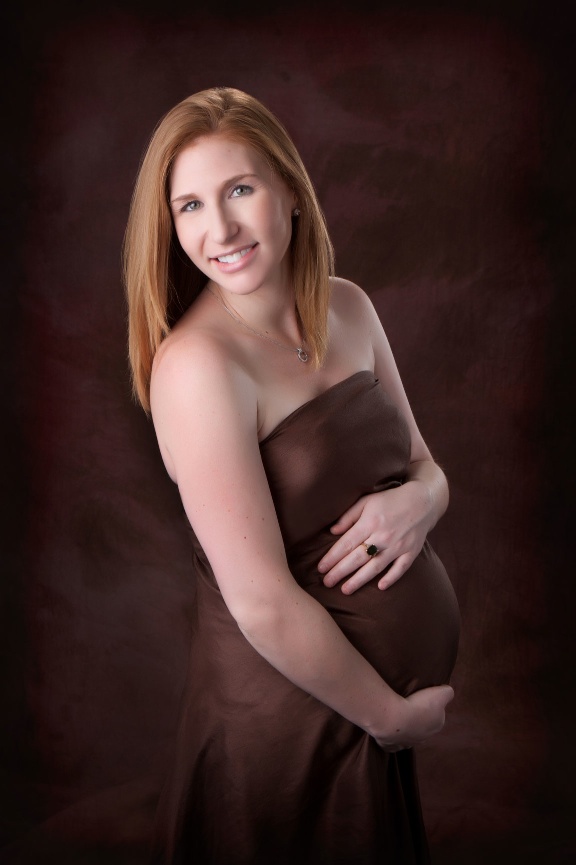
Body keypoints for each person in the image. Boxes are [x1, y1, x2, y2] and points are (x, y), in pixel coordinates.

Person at [124, 86, 460, 865]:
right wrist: (390, 718)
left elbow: (426, 464)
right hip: (288, 726)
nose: (220, 229)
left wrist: (421, 500)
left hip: (361, 714)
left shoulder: (350, 308)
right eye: (190, 206)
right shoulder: (199, 366)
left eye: (239, 189)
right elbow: (262, 601)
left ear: (291, 192)